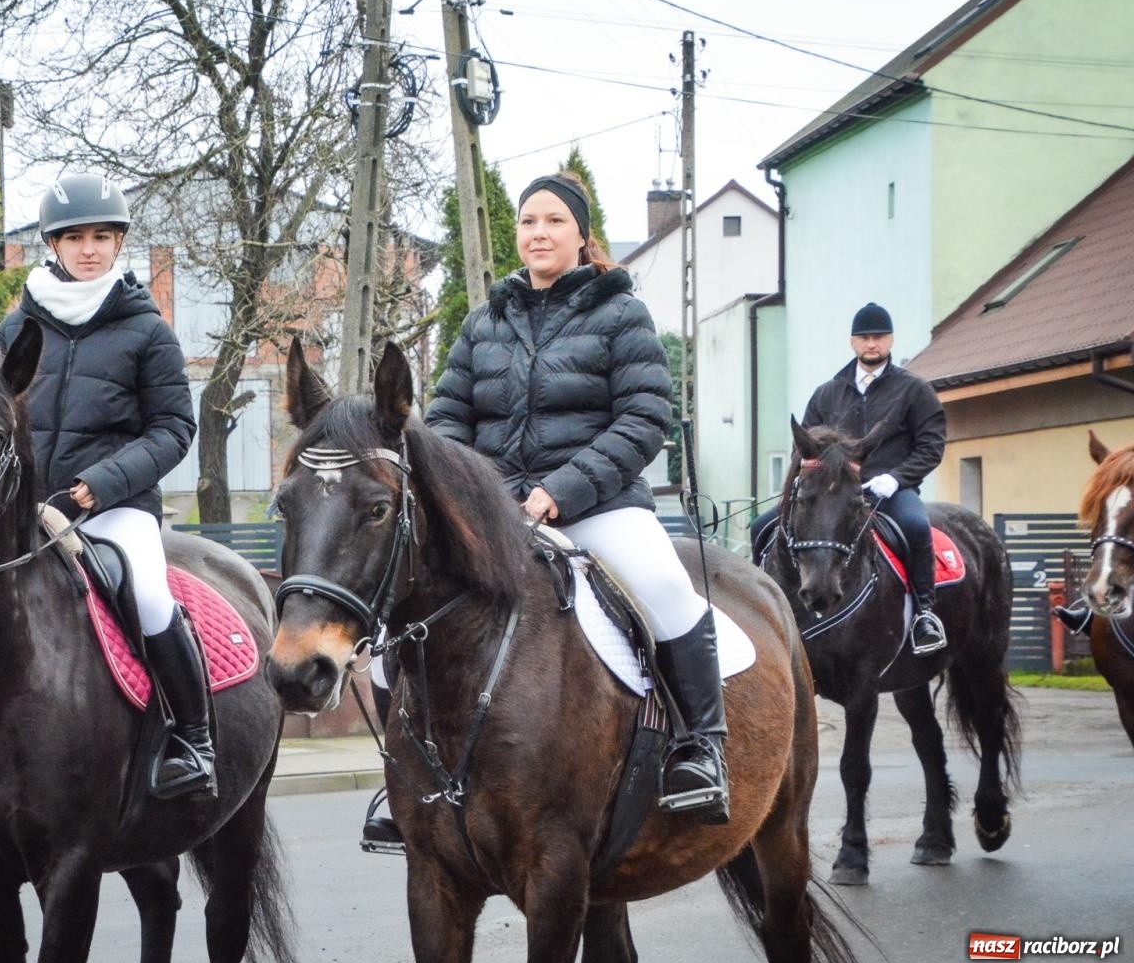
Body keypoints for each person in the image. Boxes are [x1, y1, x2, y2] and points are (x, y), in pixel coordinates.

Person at [362, 170, 730, 849]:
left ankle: (699, 749)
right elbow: (446, 419)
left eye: (554, 221)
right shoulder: (485, 320)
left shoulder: (622, 314)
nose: (537, 232)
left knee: (665, 588)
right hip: (495, 511)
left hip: (597, 505)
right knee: (397, 631)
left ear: (582, 236)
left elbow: (645, 415)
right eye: (529, 220)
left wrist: (566, 487)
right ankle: (399, 778)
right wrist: (475, 492)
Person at [0, 173, 212, 807]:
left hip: (110, 509)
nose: (90, 249)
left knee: (147, 591)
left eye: (103, 237)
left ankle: (191, 740)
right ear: (54, 244)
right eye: (76, 237)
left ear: (119, 243)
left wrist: (94, 489)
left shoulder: (148, 333)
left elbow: (173, 429)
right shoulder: (14, 329)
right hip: (23, 511)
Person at [749, 303, 948, 655]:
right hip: (832, 492)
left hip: (888, 492)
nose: (872, 344)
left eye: (879, 337)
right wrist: (806, 479)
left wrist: (897, 478)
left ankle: (924, 616)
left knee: (916, 526)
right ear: (852, 342)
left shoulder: (914, 391)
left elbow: (931, 446)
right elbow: (805, 448)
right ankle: (759, 610)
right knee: (761, 527)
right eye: (864, 338)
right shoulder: (828, 392)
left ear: (890, 340)